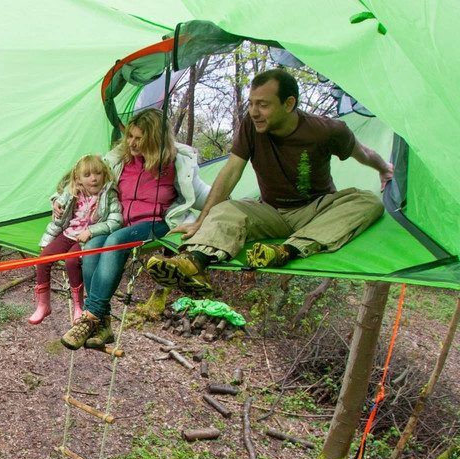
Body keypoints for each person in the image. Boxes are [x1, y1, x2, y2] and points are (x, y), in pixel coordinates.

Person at [145, 69, 392, 297]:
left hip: (316, 211)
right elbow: (231, 172)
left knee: (368, 201)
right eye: (251, 103)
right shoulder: (251, 126)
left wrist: (384, 169)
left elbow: (363, 152)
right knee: (226, 208)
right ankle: (194, 262)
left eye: (263, 105)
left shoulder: (326, 130)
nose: (253, 112)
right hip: (272, 212)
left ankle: (286, 251)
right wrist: (200, 221)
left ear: (289, 104)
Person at [57, 108, 210, 350]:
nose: (132, 142)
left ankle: (90, 316)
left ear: (154, 138)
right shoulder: (120, 160)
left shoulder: (177, 164)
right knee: (92, 245)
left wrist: (231, 205)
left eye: (139, 138)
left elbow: (204, 196)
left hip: (155, 225)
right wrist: (60, 199)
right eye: (130, 136)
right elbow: (82, 176)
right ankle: (103, 324)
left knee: (114, 240)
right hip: (120, 222)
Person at [28, 155, 121, 326]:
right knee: (43, 260)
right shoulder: (73, 192)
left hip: (87, 237)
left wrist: (91, 231)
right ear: (78, 179)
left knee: (72, 261)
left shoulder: (108, 194)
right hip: (68, 233)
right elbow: (59, 199)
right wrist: (56, 203)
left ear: (105, 174)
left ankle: (79, 306)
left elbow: (115, 221)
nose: (93, 178)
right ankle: (43, 304)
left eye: (98, 174)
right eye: (87, 175)